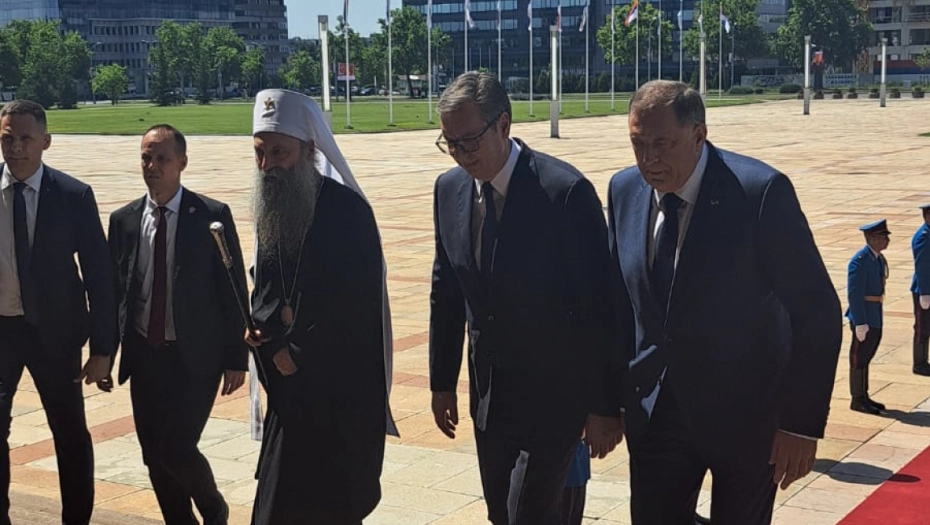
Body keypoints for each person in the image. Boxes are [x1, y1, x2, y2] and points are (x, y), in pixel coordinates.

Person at [606, 80, 841, 525]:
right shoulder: (624, 190)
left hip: (746, 419)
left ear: (699, 134)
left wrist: (800, 424)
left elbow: (817, 313)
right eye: (638, 143)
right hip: (656, 415)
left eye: (662, 144)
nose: (649, 158)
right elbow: (618, 304)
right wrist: (607, 402)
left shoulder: (759, 193)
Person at [429, 72, 627, 525]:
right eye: (450, 143)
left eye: (469, 141)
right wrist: (442, 381)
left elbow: (598, 306)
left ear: (503, 124)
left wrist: (603, 405)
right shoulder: (449, 189)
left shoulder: (564, 193)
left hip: (554, 399)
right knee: (501, 514)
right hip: (490, 398)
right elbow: (447, 291)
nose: (461, 154)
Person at [245, 89, 395, 525]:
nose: (268, 165)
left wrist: (296, 352)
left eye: (279, 153)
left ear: (309, 151)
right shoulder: (273, 207)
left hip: (337, 401)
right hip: (289, 400)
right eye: (260, 153)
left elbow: (356, 311)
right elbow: (266, 291)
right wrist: (262, 333)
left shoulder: (348, 213)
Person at [107, 125, 248, 524]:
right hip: (145, 355)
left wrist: (236, 357)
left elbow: (233, 287)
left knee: (177, 447)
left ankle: (213, 508)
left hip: (195, 357)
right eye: (146, 158)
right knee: (153, 454)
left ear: (182, 163)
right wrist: (104, 351)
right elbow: (115, 291)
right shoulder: (124, 220)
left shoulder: (211, 216)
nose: (152, 166)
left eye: (162, 159)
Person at [0, 100, 116, 525]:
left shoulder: (72, 196)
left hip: (55, 335)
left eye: (25, 139)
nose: (16, 148)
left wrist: (103, 348)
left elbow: (100, 276)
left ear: (46, 142)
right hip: (2, 333)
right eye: (7, 139)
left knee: (68, 433)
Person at [846, 220, 891, 414]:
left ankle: (864, 395)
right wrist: (860, 322)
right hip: (864, 316)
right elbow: (854, 294)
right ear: (872, 239)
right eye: (883, 237)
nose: (887, 241)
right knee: (859, 358)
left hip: (874, 313)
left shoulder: (877, 258)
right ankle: (857, 399)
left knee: (867, 355)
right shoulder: (860, 261)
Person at [910, 205, 930, 376]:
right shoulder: (923, 237)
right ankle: (919, 363)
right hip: (925, 290)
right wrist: (925, 293)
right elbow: (922, 267)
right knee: (923, 327)